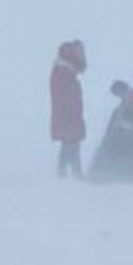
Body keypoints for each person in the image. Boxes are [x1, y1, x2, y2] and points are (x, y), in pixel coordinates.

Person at [49, 39, 87, 178]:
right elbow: (66, 99)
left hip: (69, 116)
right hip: (68, 117)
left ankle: (67, 174)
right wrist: (72, 114)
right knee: (71, 144)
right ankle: (72, 174)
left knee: (70, 144)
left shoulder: (64, 73)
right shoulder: (63, 74)